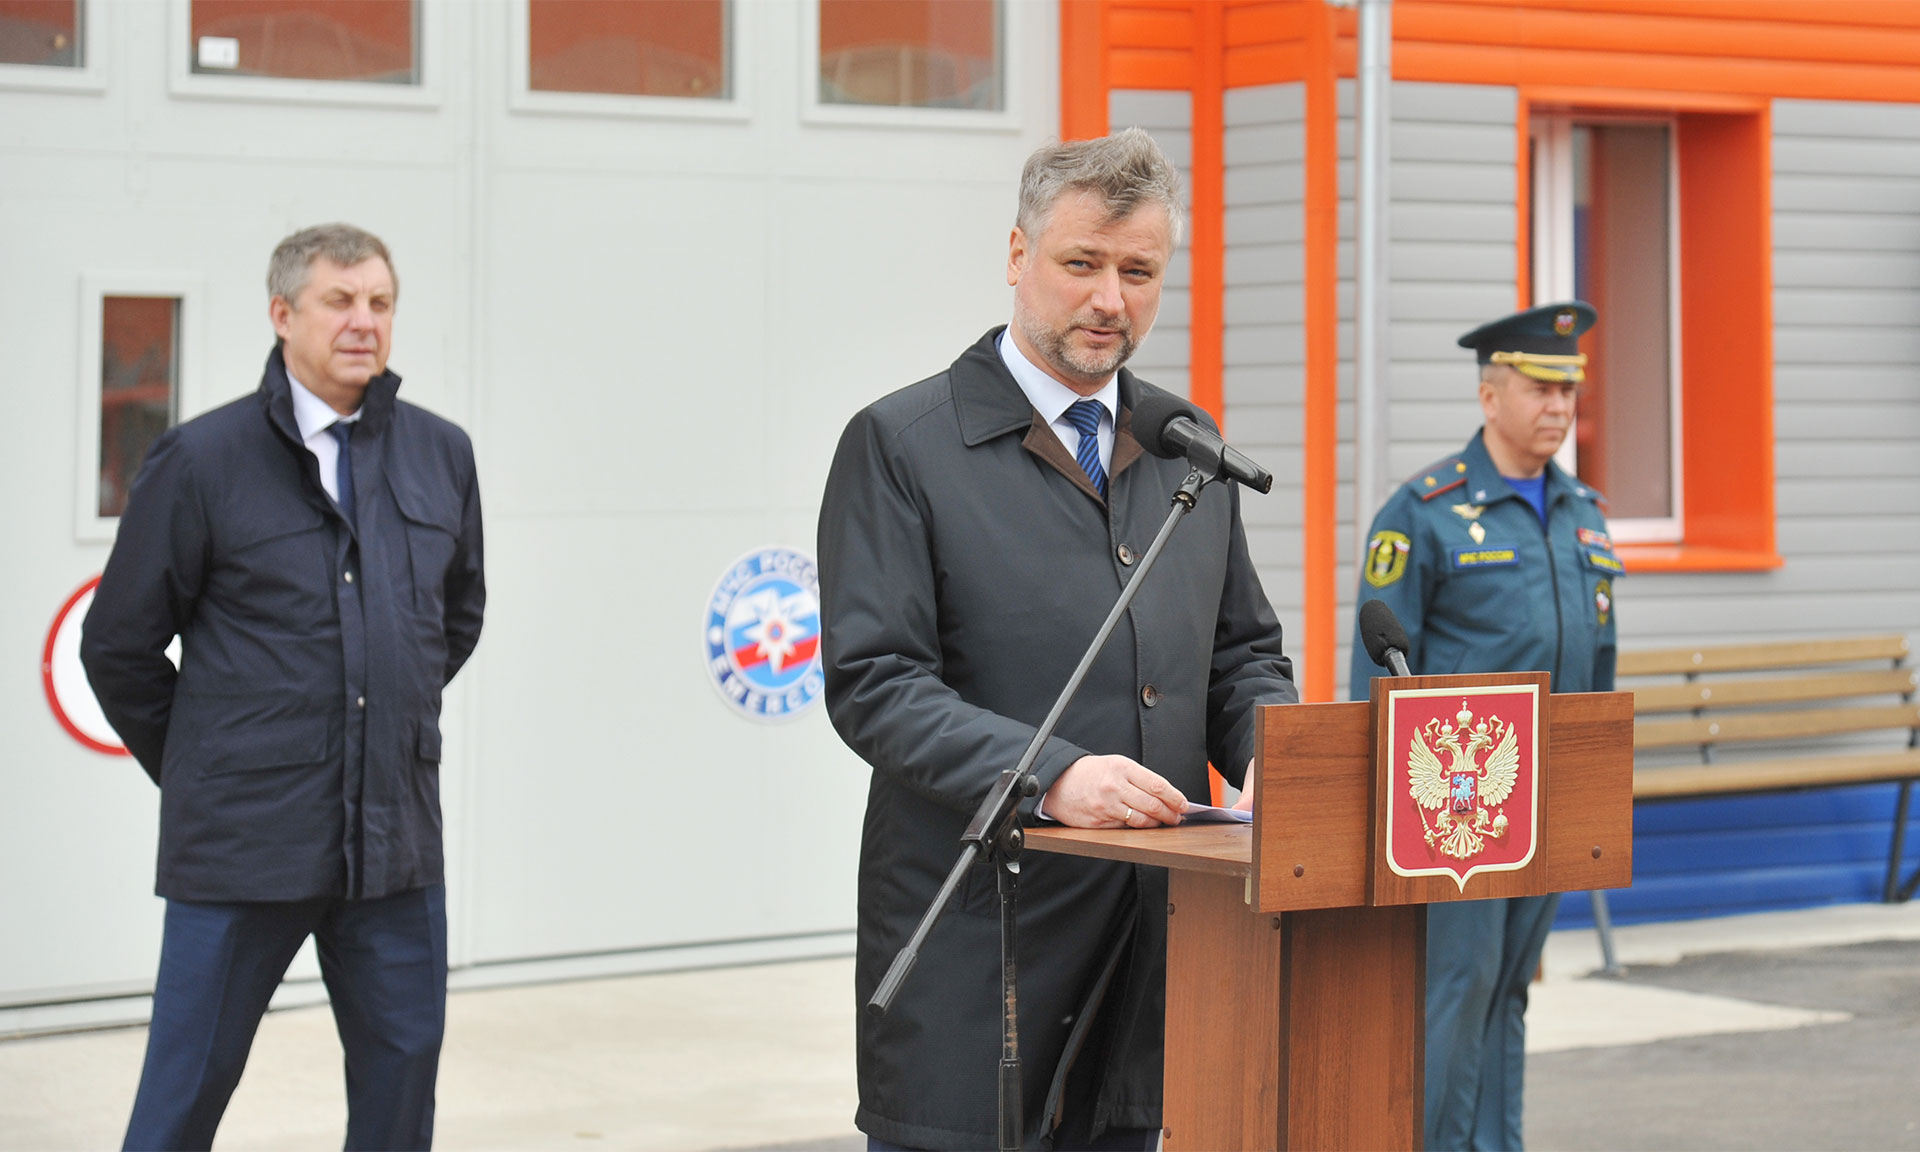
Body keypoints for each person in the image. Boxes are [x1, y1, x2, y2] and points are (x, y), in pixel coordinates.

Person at [817, 129, 1298, 1151]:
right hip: (976, 962)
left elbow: (1243, 657)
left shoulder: (1187, 447)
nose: (1110, 299)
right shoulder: (901, 445)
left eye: (1139, 272)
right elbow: (876, 684)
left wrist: (1276, 753)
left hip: (1154, 956)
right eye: (1082, 263)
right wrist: (1053, 777)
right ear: (1016, 255)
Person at [81, 223, 485, 1151]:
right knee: (184, 1095)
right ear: (282, 314)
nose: (363, 321)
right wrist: (206, 766)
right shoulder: (202, 460)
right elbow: (118, 646)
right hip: (242, 846)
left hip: (393, 847)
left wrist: (382, 727)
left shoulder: (441, 454)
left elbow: (455, 617)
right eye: (339, 301)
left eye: (380, 302)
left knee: (400, 1098)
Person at [1348, 301, 1620, 1151]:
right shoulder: (1423, 511)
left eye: (1567, 391)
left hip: (1548, 793)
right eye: (1539, 388)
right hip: (1455, 806)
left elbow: (1599, 661)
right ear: (1489, 395)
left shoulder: (1583, 511)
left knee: (1510, 985)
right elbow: (1378, 674)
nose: (1558, 407)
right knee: (1456, 987)